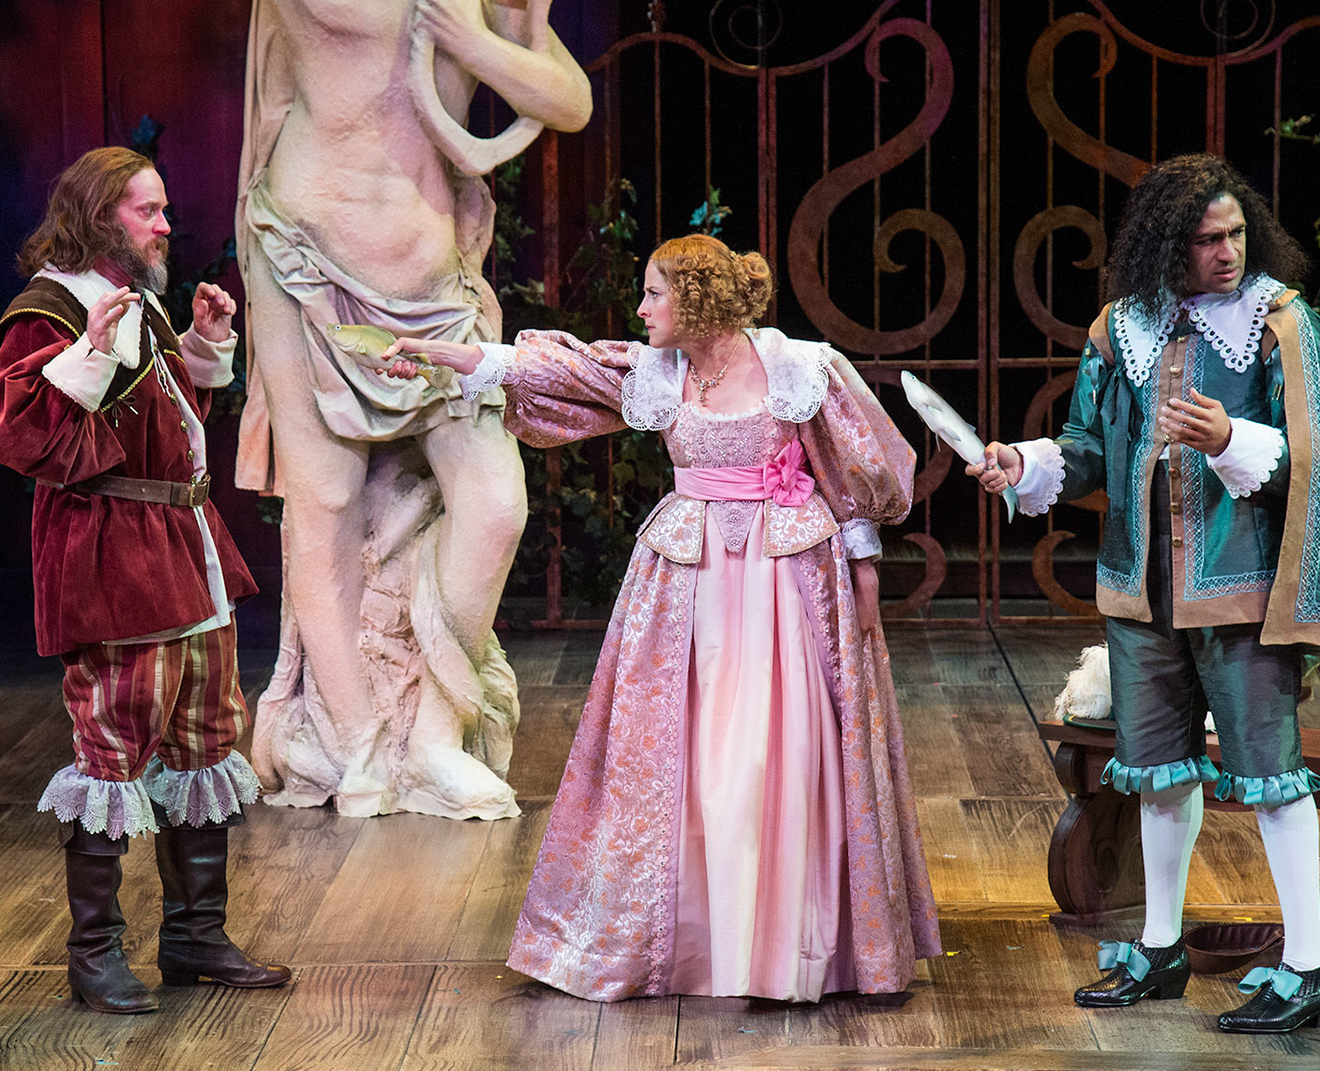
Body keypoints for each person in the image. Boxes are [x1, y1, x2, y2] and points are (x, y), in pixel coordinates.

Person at [380, 234, 943, 1003]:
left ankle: (789, 948)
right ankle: (693, 939)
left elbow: (853, 463)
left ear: (697, 300)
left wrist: (864, 561)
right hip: (689, 576)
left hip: (786, 579)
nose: (642, 308)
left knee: (778, 750)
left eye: (655, 293)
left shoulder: (799, 367)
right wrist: (442, 354)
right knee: (688, 752)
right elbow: (553, 368)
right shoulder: (655, 371)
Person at [157, 0, 593, 820]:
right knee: (326, 498)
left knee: (495, 500)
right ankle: (357, 740)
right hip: (305, 258)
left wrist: (474, 40)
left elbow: (567, 99)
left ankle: (432, 736)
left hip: (433, 282)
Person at [968, 154, 1320, 1034]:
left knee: (1271, 774)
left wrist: (1230, 436)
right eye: (1208, 240)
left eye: (1236, 234)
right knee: (1159, 774)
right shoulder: (1119, 328)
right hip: (1140, 591)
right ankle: (1161, 949)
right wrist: (1028, 464)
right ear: (1169, 246)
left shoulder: (1280, 325)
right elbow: (1090, 447)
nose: (1227, 252)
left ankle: (1310, 968)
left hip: (1240, 592)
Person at [0, 147, 289, 1014]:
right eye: (147, 211)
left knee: (203, 735)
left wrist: (202, 345)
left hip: (184, 542)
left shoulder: (131, 301)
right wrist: (88, 353)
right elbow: (9, 426)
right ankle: (95, 954)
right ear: (98, 215)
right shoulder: (48, 311)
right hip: (113, 552)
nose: (164, 226)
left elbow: (158, 424)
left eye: (163, 209)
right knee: (114, 741)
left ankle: (194, 937)